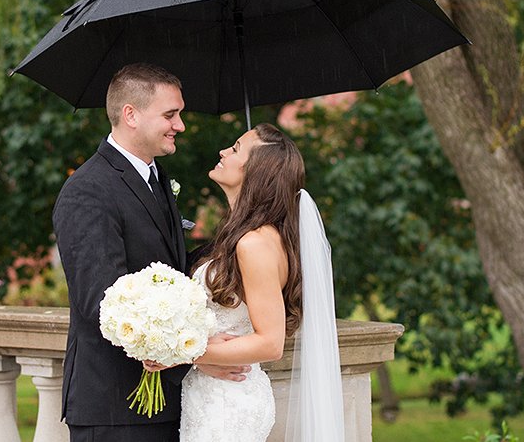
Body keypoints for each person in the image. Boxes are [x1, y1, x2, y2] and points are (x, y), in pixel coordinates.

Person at [52, 63, 248, 442]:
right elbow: (102, 302)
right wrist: (198, 352)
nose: (180, 125)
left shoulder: (155, 178)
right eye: (170, 115)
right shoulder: (87, 192)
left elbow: (169, 271)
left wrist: (237, 241)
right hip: (116, 407)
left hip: (164, 406)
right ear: (131, 115)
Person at [176, 122, 344, 442]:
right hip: (213, 397)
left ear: (258, 170)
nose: (223, 151)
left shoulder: (254, 243)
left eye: (236, 148)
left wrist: (187, 353)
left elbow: (271, 342)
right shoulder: (247, 237)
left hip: (227, 407)